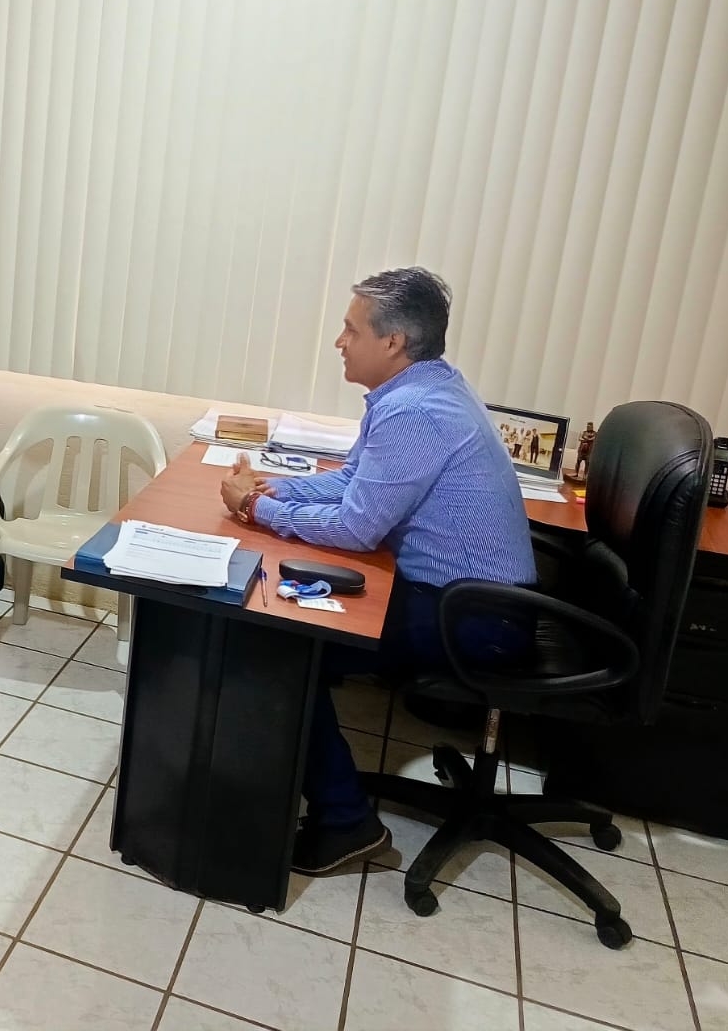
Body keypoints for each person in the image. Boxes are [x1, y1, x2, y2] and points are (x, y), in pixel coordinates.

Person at [221, 267, 536, 875]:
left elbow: (357, 527)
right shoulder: (425, 388)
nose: (339, 341)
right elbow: (356, 481)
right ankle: (301, 784)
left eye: (351, 329)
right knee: (281, 626)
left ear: (392, 341)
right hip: (470, 599)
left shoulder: (415, 411)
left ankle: (345, 823)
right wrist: (273, 488)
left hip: (477, 617)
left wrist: (257, 509)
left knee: (282, 646)